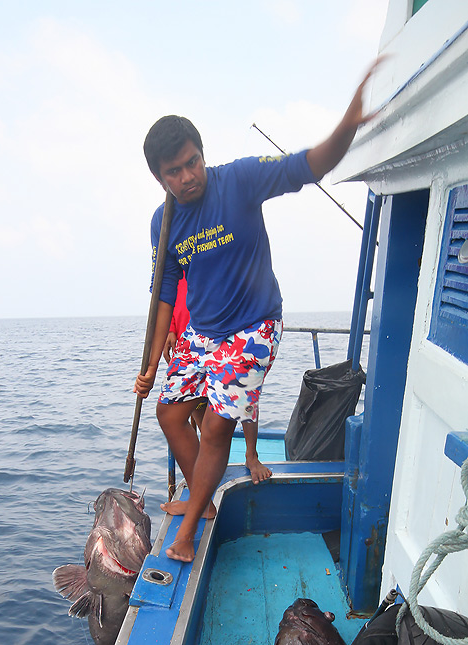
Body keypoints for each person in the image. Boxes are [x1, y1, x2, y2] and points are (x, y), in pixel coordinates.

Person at [134, 64, 379, 564]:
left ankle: (193, 525)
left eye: (191, 163)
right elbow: (164, 292)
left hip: (253, 327)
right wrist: (154, 362)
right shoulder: (165, 222)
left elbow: (306, 166)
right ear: (159, 178)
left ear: (203, 154)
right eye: (173, 172)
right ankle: (201, 497)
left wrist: (347, 126)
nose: (186, 177)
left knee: (220, 426)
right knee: (169, 412)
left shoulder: (239, 181)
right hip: (201, 334)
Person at [163, 272, 273, 484]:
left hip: (219, 331)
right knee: (194, 401)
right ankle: (207, 468)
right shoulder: (175, 263)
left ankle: (252, 455)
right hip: (186, 333)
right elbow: (168, 296)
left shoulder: (214, 253)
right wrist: (171, 328)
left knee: (242, 394)